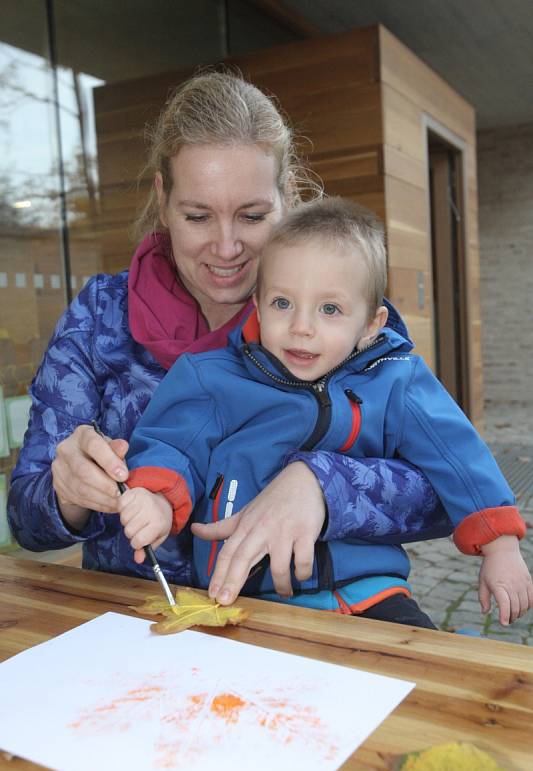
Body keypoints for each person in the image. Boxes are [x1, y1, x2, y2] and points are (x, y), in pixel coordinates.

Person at [8, 71, 450, 623]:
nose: (226, 247)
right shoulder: (100, 318)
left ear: (288, 198)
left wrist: (323, 486)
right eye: (197, 216)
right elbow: (27, 523)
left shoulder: (343, 314)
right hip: (139, 629)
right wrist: (68, 492)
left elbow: (446, 483)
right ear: (162, 200)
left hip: (317, 617)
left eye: (252, 216)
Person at [119, 197, 532, 628]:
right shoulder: (214, 378)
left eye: (329, 309)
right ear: (257, 305)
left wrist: (500, 545)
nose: (302, 326)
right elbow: (171, 443)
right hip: (243, 596)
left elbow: (459, 456)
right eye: (283, 303)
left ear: (372, 325)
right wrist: (157, 498)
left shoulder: (396, 381)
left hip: (371, 591)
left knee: (423, 676)